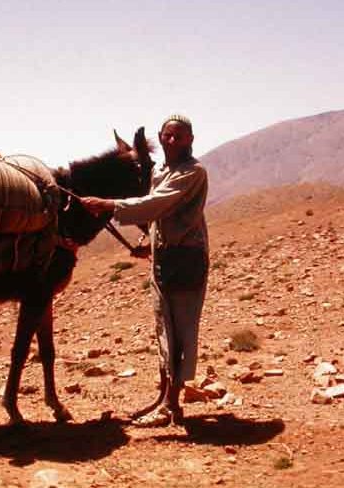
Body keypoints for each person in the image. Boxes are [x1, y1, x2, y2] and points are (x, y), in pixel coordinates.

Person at [81, 114, 209, 426]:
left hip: (186, 259)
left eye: (179, 136)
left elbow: (157, 203)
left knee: (180, 332)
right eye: (167, 135)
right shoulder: (161, 171)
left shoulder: (193, 172)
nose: (172, 141)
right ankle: (163, 398)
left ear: (190, 139)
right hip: (164, 258)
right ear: (160, 136)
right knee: (164, 329)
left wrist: (110, 205)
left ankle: (171, 405)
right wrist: (146, 241)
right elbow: (157, 216)